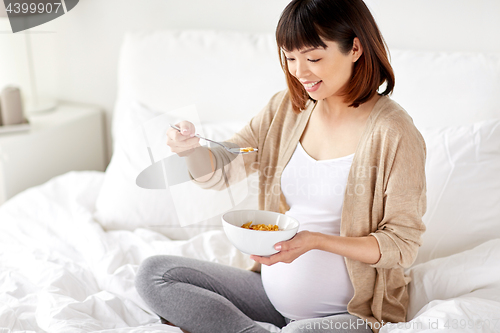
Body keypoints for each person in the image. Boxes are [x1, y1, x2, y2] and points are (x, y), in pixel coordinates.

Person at [135, 0, 427, 332]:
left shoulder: (394, 132)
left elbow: (402, 246)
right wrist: (190, 151)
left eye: (313, 58)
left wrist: (316, 240)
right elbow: (224, 166)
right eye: (290, 58)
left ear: (355, 48)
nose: (299, 72)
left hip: (349, 317)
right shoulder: (287, 110)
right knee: (155, 274)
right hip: (269, 298)